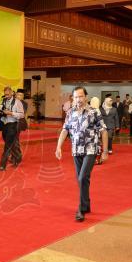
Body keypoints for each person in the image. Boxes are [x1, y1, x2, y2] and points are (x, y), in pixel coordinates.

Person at [55, 87, 109, 222]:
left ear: (86, 97)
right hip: (76, 149)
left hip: (90, 149)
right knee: (82, 179)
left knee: (82, 177)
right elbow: (65, 130)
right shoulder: (70, 112)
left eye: (80, 96)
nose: (78, 99)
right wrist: (58, 147)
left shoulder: (94, 111)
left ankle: (80, 209)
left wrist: (105, 151)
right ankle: (86, 205)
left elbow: (103, 131)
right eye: (75, 97)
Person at [0, 86, 24, 171]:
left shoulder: (17, 102)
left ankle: (2, 166)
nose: (7, 96)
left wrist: (11, 113)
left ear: (12, 93)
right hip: (4, 125)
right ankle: (18, 156)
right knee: (10, 144)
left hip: (13, 125)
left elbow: (22, 115)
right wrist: (1, 112)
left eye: (8, 94)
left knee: (7, 146)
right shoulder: (3, 100)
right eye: (5, 94)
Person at [10, 88, 28, 165]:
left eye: (21, 95)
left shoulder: (24, 104)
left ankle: (17, 156)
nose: (19, 96)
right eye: (18, 95)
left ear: (23, 97)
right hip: (11, 123)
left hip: (18, 124)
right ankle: (14, 156)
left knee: (14, 140)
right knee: (13, 140)